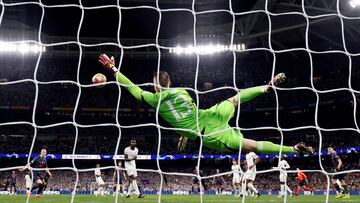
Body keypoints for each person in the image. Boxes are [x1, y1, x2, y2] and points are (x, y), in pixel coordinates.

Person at [98, 54, 314, 156]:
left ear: (155, 87)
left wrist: (114, 70)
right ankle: (265, 87)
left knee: (252, 146)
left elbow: (131, 87)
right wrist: (184, 132)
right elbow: (186, 115)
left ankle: (293, 149)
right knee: (235, 98)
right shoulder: (182, 91)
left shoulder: (154, 100)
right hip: (210, 114)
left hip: (209, 133)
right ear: (170, 82)